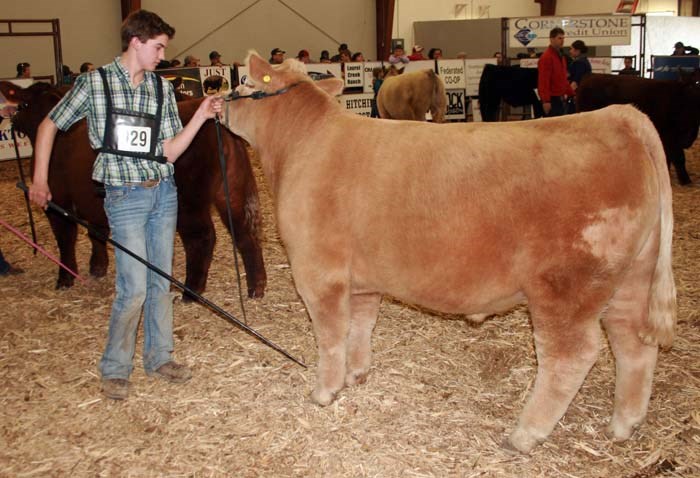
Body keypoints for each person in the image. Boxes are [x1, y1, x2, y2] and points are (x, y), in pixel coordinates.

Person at [28, 9, 223, 401]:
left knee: (160, 281)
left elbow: (168, 152)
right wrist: (40, 178)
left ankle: (159, 357)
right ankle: (115, 368)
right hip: (124, 196)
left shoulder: (161, 90)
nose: (161, 56)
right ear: (136, 41)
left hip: (162, 193)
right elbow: (50, 125)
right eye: (157, 47)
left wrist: (200, 116)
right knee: (132, 287)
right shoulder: (93, 84)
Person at [537, 27, 574, 117]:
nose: (562, 41)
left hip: (560, 98)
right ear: (551, 39)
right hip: (552, 99)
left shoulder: (561, 57)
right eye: (559, 38)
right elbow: (543, 81)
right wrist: (546, 101)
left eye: (563, 38)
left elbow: (563, 78)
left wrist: (572, 94)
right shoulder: (546, 57)